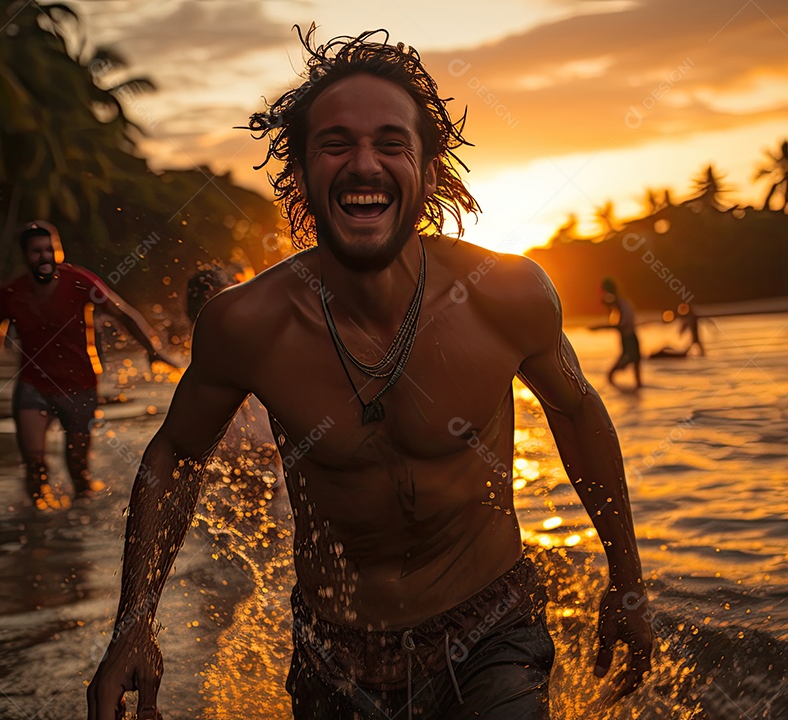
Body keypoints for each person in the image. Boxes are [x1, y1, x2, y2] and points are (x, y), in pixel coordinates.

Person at [87, 28, 652, 720]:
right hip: (335, 655)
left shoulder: (507, 295)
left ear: (429, 170)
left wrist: (626, 580)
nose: (363, 165)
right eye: (335, 144)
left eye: (390, 143)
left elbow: (578, 412)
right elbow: (176, 454)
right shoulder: (248, 323)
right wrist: (133, 621)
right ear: (299, 173)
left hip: (492, 631)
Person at [0, 221, 173, 509]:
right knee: (34, 465)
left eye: (51, 249)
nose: (45, 256)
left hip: (80, 385)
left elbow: (122, 313)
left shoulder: (80, 281)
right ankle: (39, 529)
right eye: (37, 251)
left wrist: (152, 349)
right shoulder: (10, 294)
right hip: (33, 386)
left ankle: (78, 524)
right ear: (25, 256)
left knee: (77, 466)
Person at [592, 278, 642, 389]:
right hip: (631, 338)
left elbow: (621, 325)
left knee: (614, 373)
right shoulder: (623, 302)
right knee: (635, 368)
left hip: (629, 340)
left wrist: (599, 328)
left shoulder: (620, 303)